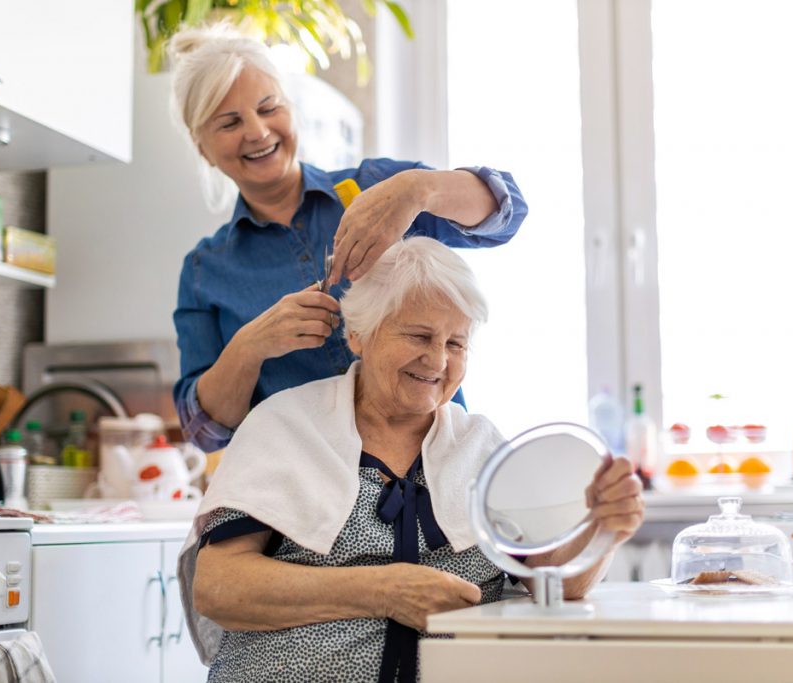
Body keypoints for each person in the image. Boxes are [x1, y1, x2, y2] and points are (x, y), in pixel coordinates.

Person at [178, 238, 644, 682]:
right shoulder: (284, 424)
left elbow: (559, 582)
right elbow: (219, 588)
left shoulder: (480, 444)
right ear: (358, 335)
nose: (439, 361)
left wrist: (604, 529)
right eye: (419, 335)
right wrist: (383, 590)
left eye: (456, 343)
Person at [168, 23, 529, 452]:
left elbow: (508, 213)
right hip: (304, 499)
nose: (258, 132)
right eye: (230, 122)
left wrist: (419, 189)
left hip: (433, 479)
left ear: (290, 109)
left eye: (269, 108)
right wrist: (251, 344)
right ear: (202, 147)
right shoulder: (204, 270)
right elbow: (205, 433)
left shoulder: (375, 189)